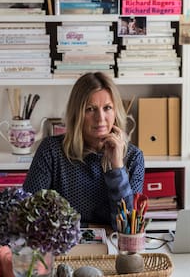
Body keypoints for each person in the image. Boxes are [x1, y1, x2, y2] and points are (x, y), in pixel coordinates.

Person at [23, 72, 145, 230]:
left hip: (115, 248)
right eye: (90, 109)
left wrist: (117, 168)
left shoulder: (134, 157)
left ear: (116, 112)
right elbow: (29, 215)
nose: (100, 118)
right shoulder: (51, 151)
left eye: (107, 108)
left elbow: (129, 228)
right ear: (77, 113)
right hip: (64, 248)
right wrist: (91, 228)